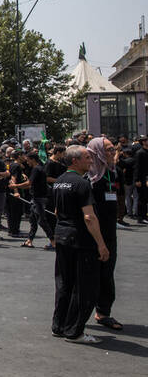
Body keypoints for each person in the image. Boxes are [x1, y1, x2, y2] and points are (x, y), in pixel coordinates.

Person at [51, 145, 109, 344]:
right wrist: (101, 244)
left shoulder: (59, 182)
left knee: (64, 283)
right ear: (74, 161)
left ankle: (59, 325)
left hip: (63, 236)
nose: (91, 161)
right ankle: (74, 331)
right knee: (84, 286)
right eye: (86, 157)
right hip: (80, 240)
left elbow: (57, 211)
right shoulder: (82, 184)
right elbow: (89, 217)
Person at [86, 138, 123, 331]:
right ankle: (80, 313)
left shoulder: (111, 173)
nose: (112, 152)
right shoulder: (88, 179)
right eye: (108, 149)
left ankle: (103, 311)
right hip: (92, 235)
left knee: (107, 273)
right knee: (88, 275)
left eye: (112, 149)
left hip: (109, 232)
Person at [22, 152, 55, 249]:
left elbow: (29, 183)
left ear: (32, 159)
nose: (27, 162)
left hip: (38, 199)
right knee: (33, 220)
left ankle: (53, 241)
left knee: (41, 221)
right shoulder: (39, 168)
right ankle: (29, 240)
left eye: (28, 160)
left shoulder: (37, 169)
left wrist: (15, 186)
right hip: (36, 198)